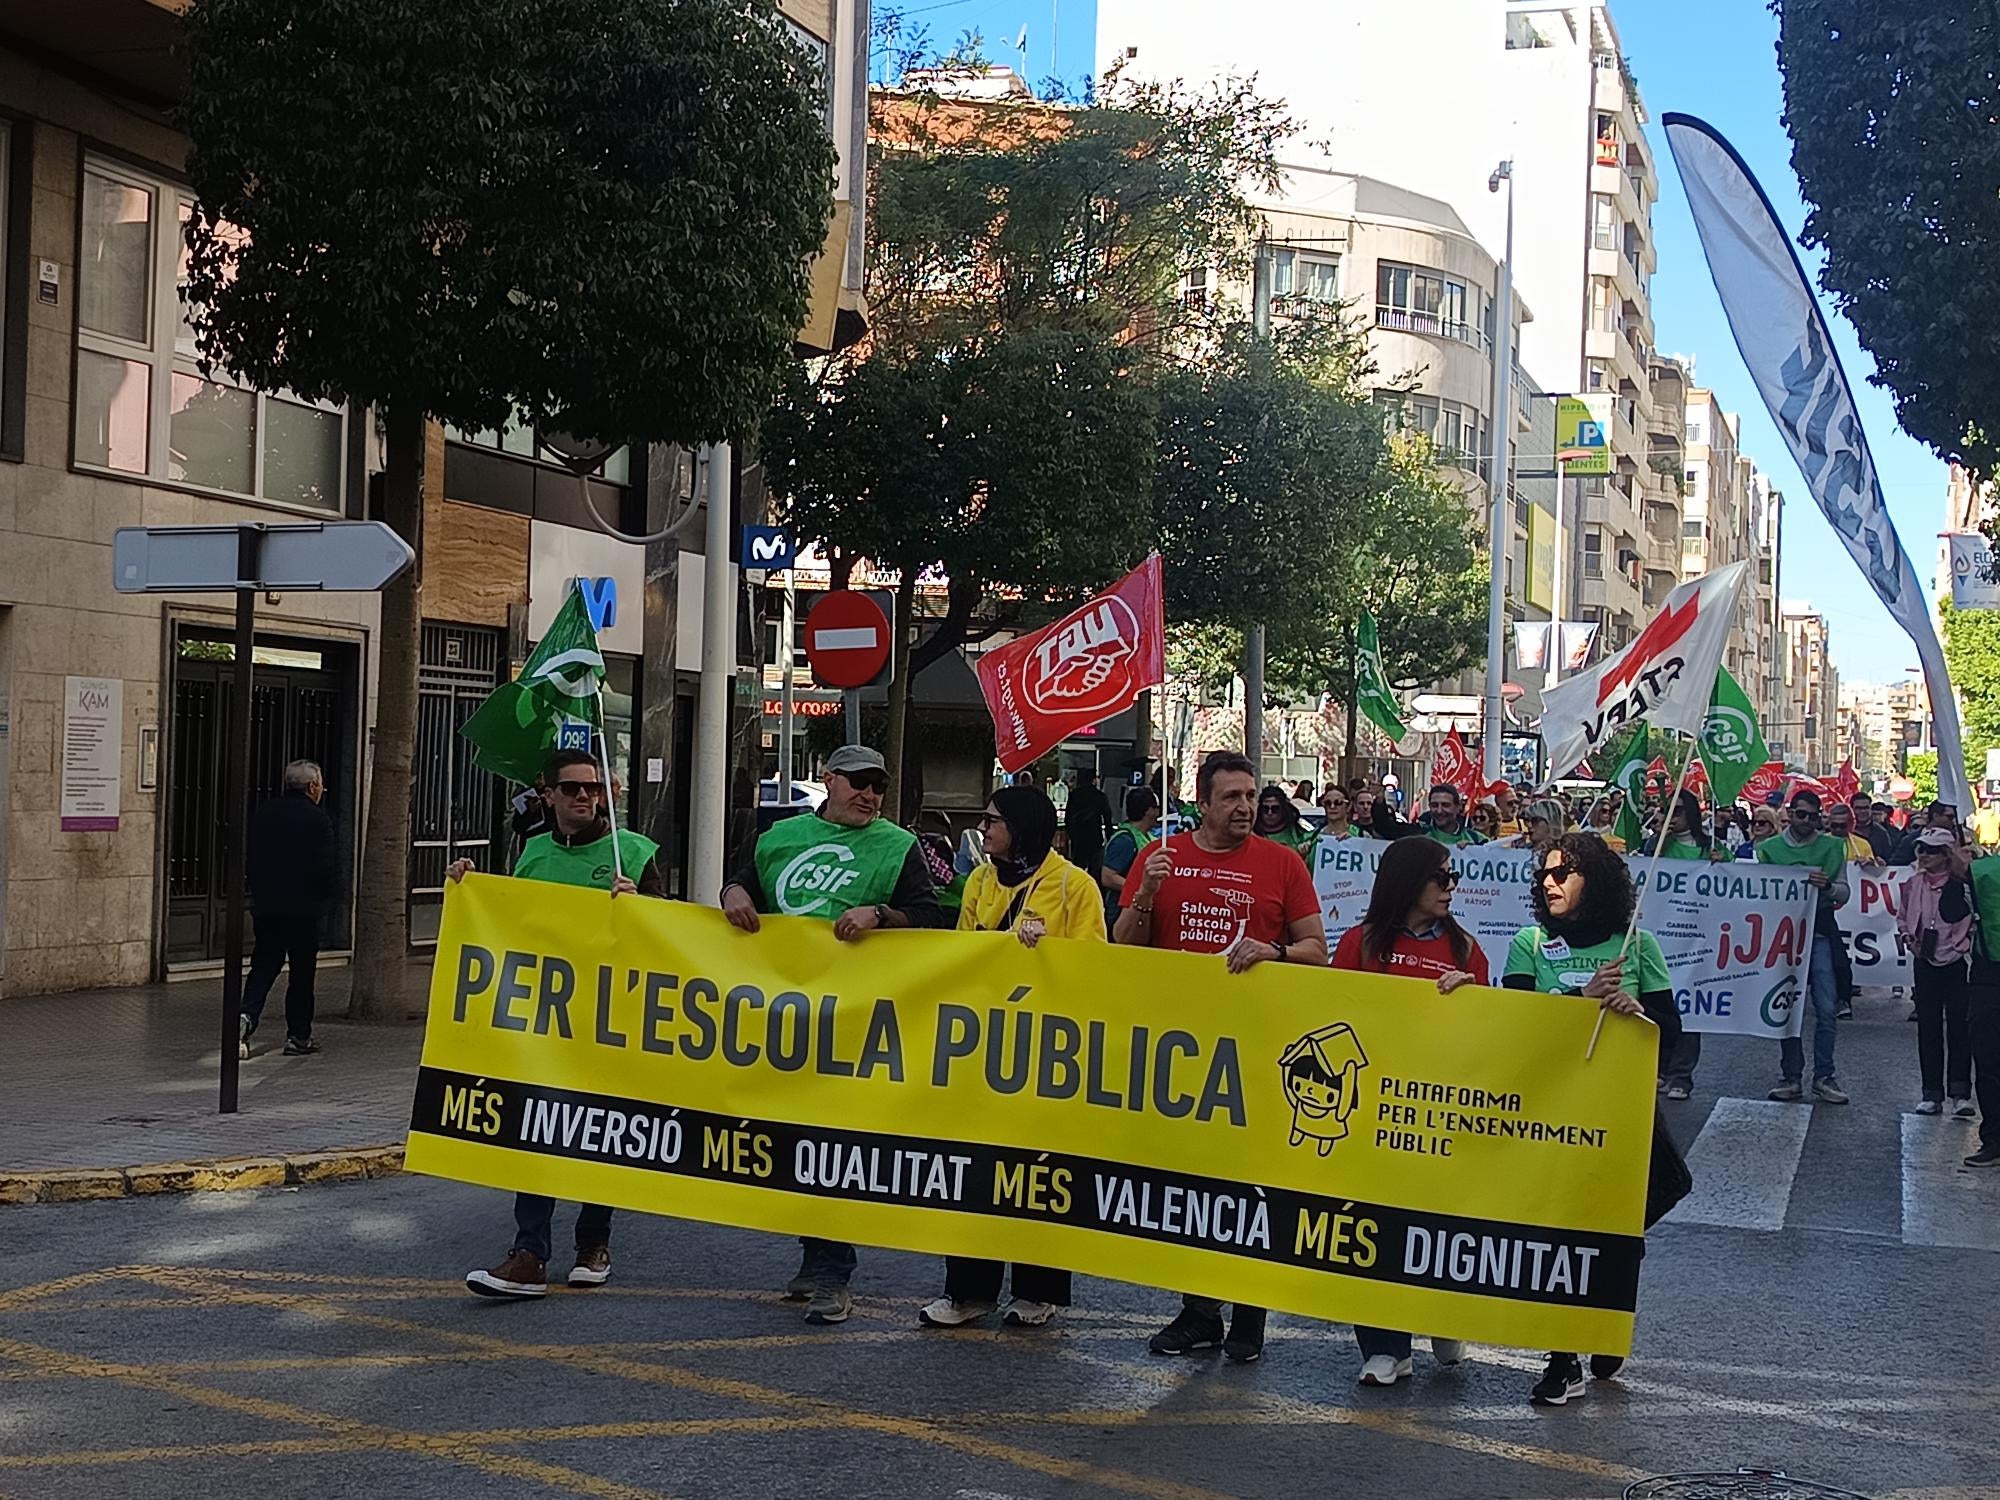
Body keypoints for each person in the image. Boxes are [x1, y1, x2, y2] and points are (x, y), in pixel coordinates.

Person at [722, 743, 950, 1325]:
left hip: (857, 1023)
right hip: (783, 1017)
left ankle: (832, 1272)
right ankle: (814, 1249)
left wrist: (881, 914)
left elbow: (929, 918)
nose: (870, 794)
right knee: (788, 1139)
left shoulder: (899, 847)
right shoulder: (778, 836)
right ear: (828, 781)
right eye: (858, 783)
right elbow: (741, 881)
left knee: (832, 1144)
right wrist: (735, 895)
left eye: (878, 784)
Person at [1116, 750, 1326, 1364]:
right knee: (1192, 1184)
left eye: (1251, 796)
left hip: (1260, 1048)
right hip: (1183, 1051)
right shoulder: (1160, 858)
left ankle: (1250, 1313)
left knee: (1251, 1182)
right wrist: (1148, 891)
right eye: (1231, 797)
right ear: (1201, 803)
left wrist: (1274, 951)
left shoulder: (1283, 863)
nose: (1246, 807)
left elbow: (1317, 948)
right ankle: (1200, 1310)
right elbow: (1122, 947)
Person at [458, 747, 664, 1300]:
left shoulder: (636, 855)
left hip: (612, 1021)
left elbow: (672, 946)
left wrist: (644, 906)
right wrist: (468, 889)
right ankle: (530, 1254)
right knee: (537, 1130)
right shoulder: (532, 852)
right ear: (547, 795)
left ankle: (594, 1243)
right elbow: (508, 922)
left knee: (600, 1130)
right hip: (546, 1024)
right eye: (571, 788)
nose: (583, 797)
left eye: (592, 789)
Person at [1504, 831, 1686, 1407]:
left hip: (1623, 1117)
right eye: (1545, 875)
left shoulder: (1637, 946)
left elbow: (1673, 1034)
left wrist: (1637, 1014)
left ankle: (1607, 1308)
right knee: (1559, 1235)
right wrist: (1581, 998)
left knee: (1622, 1230)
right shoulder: (1529, 943)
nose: (1549, 883)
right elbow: (1513, 1024)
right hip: (1554, 1115)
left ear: (1597, 883)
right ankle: (1563, 1360)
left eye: (1564, 874)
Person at [922, 785, 1103, 1330]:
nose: (983, 827)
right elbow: (963, 950)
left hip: (1048, 1055)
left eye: (993, 819)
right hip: (983, 1046)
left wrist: (1049, 949)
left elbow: (1097, 970)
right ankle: (968, 1291)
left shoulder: (1076, 886)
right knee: (973, 1168)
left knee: (1040, 1174)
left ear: (1023, 826)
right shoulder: (979, 879)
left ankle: (1037, 1289)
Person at [1329, 838, 1486, 1388]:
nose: (1451, 887)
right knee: (1371, 1227)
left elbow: (1492, 1035)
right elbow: (1331, 1017)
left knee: (1436, 1225)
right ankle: (1384, 1345)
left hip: (1437, 1118)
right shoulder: (1360, 944)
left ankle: (1443, 1314)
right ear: (1407, 881)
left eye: (1454, 877)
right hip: (1370, 1111)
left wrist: (1473, 999)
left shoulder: (1468, 951)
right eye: (1440, 877)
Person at [239, 759, 338, 1059]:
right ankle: (298, 1036)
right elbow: (326, 869)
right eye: (320, 785)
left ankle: (245, 1017)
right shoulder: (318, 820)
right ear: (312, 787)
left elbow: (251, 858)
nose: (322, 790)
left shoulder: (264, 813)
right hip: (303, 912)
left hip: (267, 908)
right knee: (301, 975)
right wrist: (325, 900)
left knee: (263, 966)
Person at [1758, 789, 1850, 1105]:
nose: (1806, 821)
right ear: (1790, 813)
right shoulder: (1768, 849)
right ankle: (1791, 1076)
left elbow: (1845, 892)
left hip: (1820, 933)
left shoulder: (1834, 847)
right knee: (1788, 1009)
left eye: (1812, 816)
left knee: (1826, 1008)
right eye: (1801, 814)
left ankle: (1824, 1076)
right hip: (1786, 938)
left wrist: (1829, 887)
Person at [1899, 827, 1976, 1117]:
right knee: (1928, 1027)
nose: (1925, 855)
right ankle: (1931, 1093)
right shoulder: (1913, 883)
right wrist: (1908, 936)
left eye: (1932, 850)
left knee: (1959, 1027)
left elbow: (1973, 917)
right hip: (1925, 959)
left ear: (1945, 855)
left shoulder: (1963, 885)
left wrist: (1962, 945)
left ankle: (1960, 1093)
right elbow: (1903, 914)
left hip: (1956, 962)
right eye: (1922, 849)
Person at [1099, 787, 1162, 930]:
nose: (1159, 812)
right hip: (1120, 913)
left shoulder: (1148, 837)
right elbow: (1108, 877)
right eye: (1157, 808)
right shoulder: (1125, 840)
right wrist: (1140, 889)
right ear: (1149, 811)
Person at [1065, 767, 1114, 876]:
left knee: (1077, 868)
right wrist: (1109, 837)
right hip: (1094, 836)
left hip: (1078, 836)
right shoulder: (1100, 796)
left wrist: (1071, 835)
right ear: (1093, 780)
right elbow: (1107, 819)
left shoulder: (1074, 795)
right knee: (1095, 869)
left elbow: (1068, 818)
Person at [1257, 783, 1317, 862]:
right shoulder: (1250, 833)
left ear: (1283, 809)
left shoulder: (1298, 834)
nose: (1269, 813)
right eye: (1265, 809)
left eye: (1275, 809)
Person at [1892, 801, 1961, 865]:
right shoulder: (1909, 840)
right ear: (1936, 816)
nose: (1954, 820)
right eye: (1949, 817)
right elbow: (1896, 864)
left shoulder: (1959, 838)